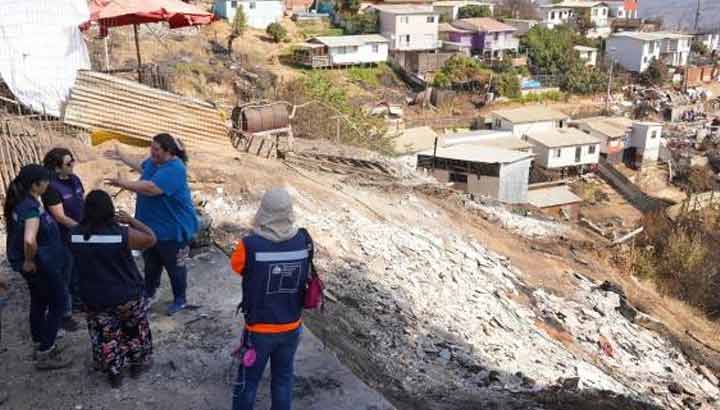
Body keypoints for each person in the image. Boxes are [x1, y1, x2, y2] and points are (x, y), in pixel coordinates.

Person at [229, 188, 312, 410]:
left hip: (259, 331)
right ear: (289, 212)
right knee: (283, 380)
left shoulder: (249, 246)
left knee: (248, 382)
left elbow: (238, 268)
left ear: (263, 211)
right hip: (291, 327)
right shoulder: (304, 241)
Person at [104, 133, 198, 316]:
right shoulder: (154, 162)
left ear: (168, 151)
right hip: (149, 227)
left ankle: (180, 299)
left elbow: (151, 188)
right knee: (151, 264)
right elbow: (142, 168)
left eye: (156, 149)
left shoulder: (175, 168)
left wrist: (124, 183)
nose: (152, 152)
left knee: (175, 266)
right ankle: (149, 294)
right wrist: (123, 157)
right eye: (151, 148)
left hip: (173, 229)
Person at [69, 190, 156, 388]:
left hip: (95, 298)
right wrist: (131, 221)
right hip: (127, 295)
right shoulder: (120, 235)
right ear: (109, 210)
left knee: (106, 335)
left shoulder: (74, 235)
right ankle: (136, 365)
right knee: (134, 330)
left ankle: (114, 373)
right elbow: (151, 238)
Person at [3, 164, 72, 370]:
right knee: (59, 301)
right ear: (35, 185)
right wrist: (29, 260)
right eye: (45, 181)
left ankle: (40, 340)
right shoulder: (30, 209)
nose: (48, 184)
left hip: (40, 264)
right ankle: (46, 352)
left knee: (39, 300)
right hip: (42, 266)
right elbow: (30, 240)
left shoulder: (23, 202)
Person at [42, 147, 83, 331]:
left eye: (72, 159)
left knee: (77, 271)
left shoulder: (74, 179)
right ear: (57, 168)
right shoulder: (51, 188)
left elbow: (82, 202)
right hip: (63, 238)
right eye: (68, 162)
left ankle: (76, 301)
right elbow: (60, 217)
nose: (73, 163)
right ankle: (64, 314)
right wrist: (83, 229)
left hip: (78, 234)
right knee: (64, 275)